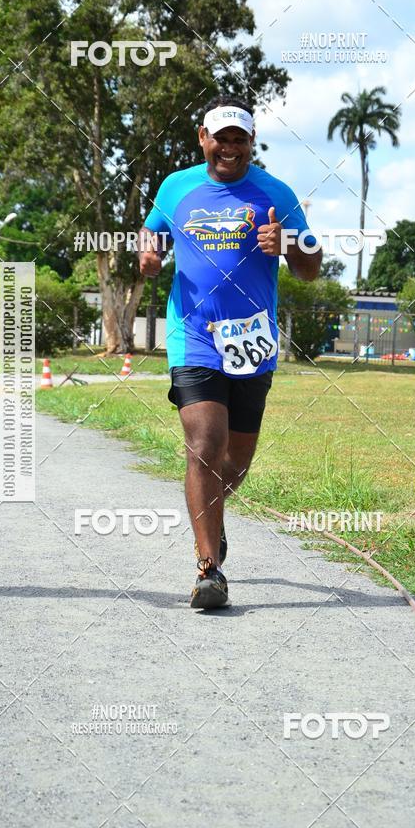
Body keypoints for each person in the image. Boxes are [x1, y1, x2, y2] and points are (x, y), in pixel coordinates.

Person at [139, 95, 321, 609]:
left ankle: (211, 525)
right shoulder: (177, 187)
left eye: (240, 138)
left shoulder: (274, 193)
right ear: (203, 138)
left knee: (235, 460)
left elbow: (311, 267)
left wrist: (286, 243)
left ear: (251, 143)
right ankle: (208, 570)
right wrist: (148, 254)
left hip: (252, 343)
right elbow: (150, 235)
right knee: (205, 443)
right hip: (194, 335)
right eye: (221, 137)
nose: (230, 147)